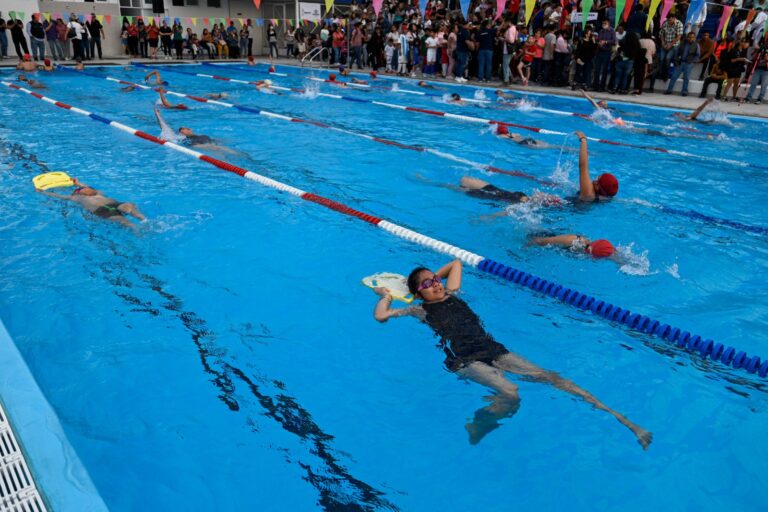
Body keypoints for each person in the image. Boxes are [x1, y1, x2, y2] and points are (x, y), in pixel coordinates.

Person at [371, 259, 652, 448]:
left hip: (493, 350)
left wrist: (431, 281)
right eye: (427, 285)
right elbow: (381, 318)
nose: (435, 284)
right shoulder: (419, 310)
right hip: (464, 360)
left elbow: (456, 263)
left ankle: (623, 420)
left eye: (435, 279)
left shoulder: (454, 293)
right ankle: (483, 420)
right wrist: (388, 295)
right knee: (512, 393)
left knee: (552, 377)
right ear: (418, 295)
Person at [35, 177, 146, 230]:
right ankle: (138, 231)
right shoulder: (77, 198)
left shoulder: (97, 192)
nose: (85, 188)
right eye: (82, 189)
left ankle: (144, 220)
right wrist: (44, 192)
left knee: (126, 206)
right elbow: (59, 196)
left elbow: (86, 186)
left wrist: (77, 183)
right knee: (124, 221)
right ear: (78, 193)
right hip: (102, 211)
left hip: (115, 204)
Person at [573, 131, 619, 201]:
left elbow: (583, 166)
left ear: (598, 186)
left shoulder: (588, 193)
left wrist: (583, 140)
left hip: (562, 207)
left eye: (597, 179)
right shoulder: (605, 197)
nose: (594, 180)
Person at [664, 32, 700, 96]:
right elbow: (677, 53)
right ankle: (669, 90)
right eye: (689, 37)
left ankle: (684, 92)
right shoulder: (682, 43)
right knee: (674, 77)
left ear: (694, 38)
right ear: (687, 37)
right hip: (680, 62)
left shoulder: (696, 45)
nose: (690, 39)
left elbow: (697, 55)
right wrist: (676, 61)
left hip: (688, 64)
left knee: (686, 78)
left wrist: (692, 62)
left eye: (692, 37)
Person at [529, 234, 617, 260]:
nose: (594, 259)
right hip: (539, 236)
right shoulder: (573, 241)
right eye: (596, 257)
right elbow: (540, 241)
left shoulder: (606, 249)